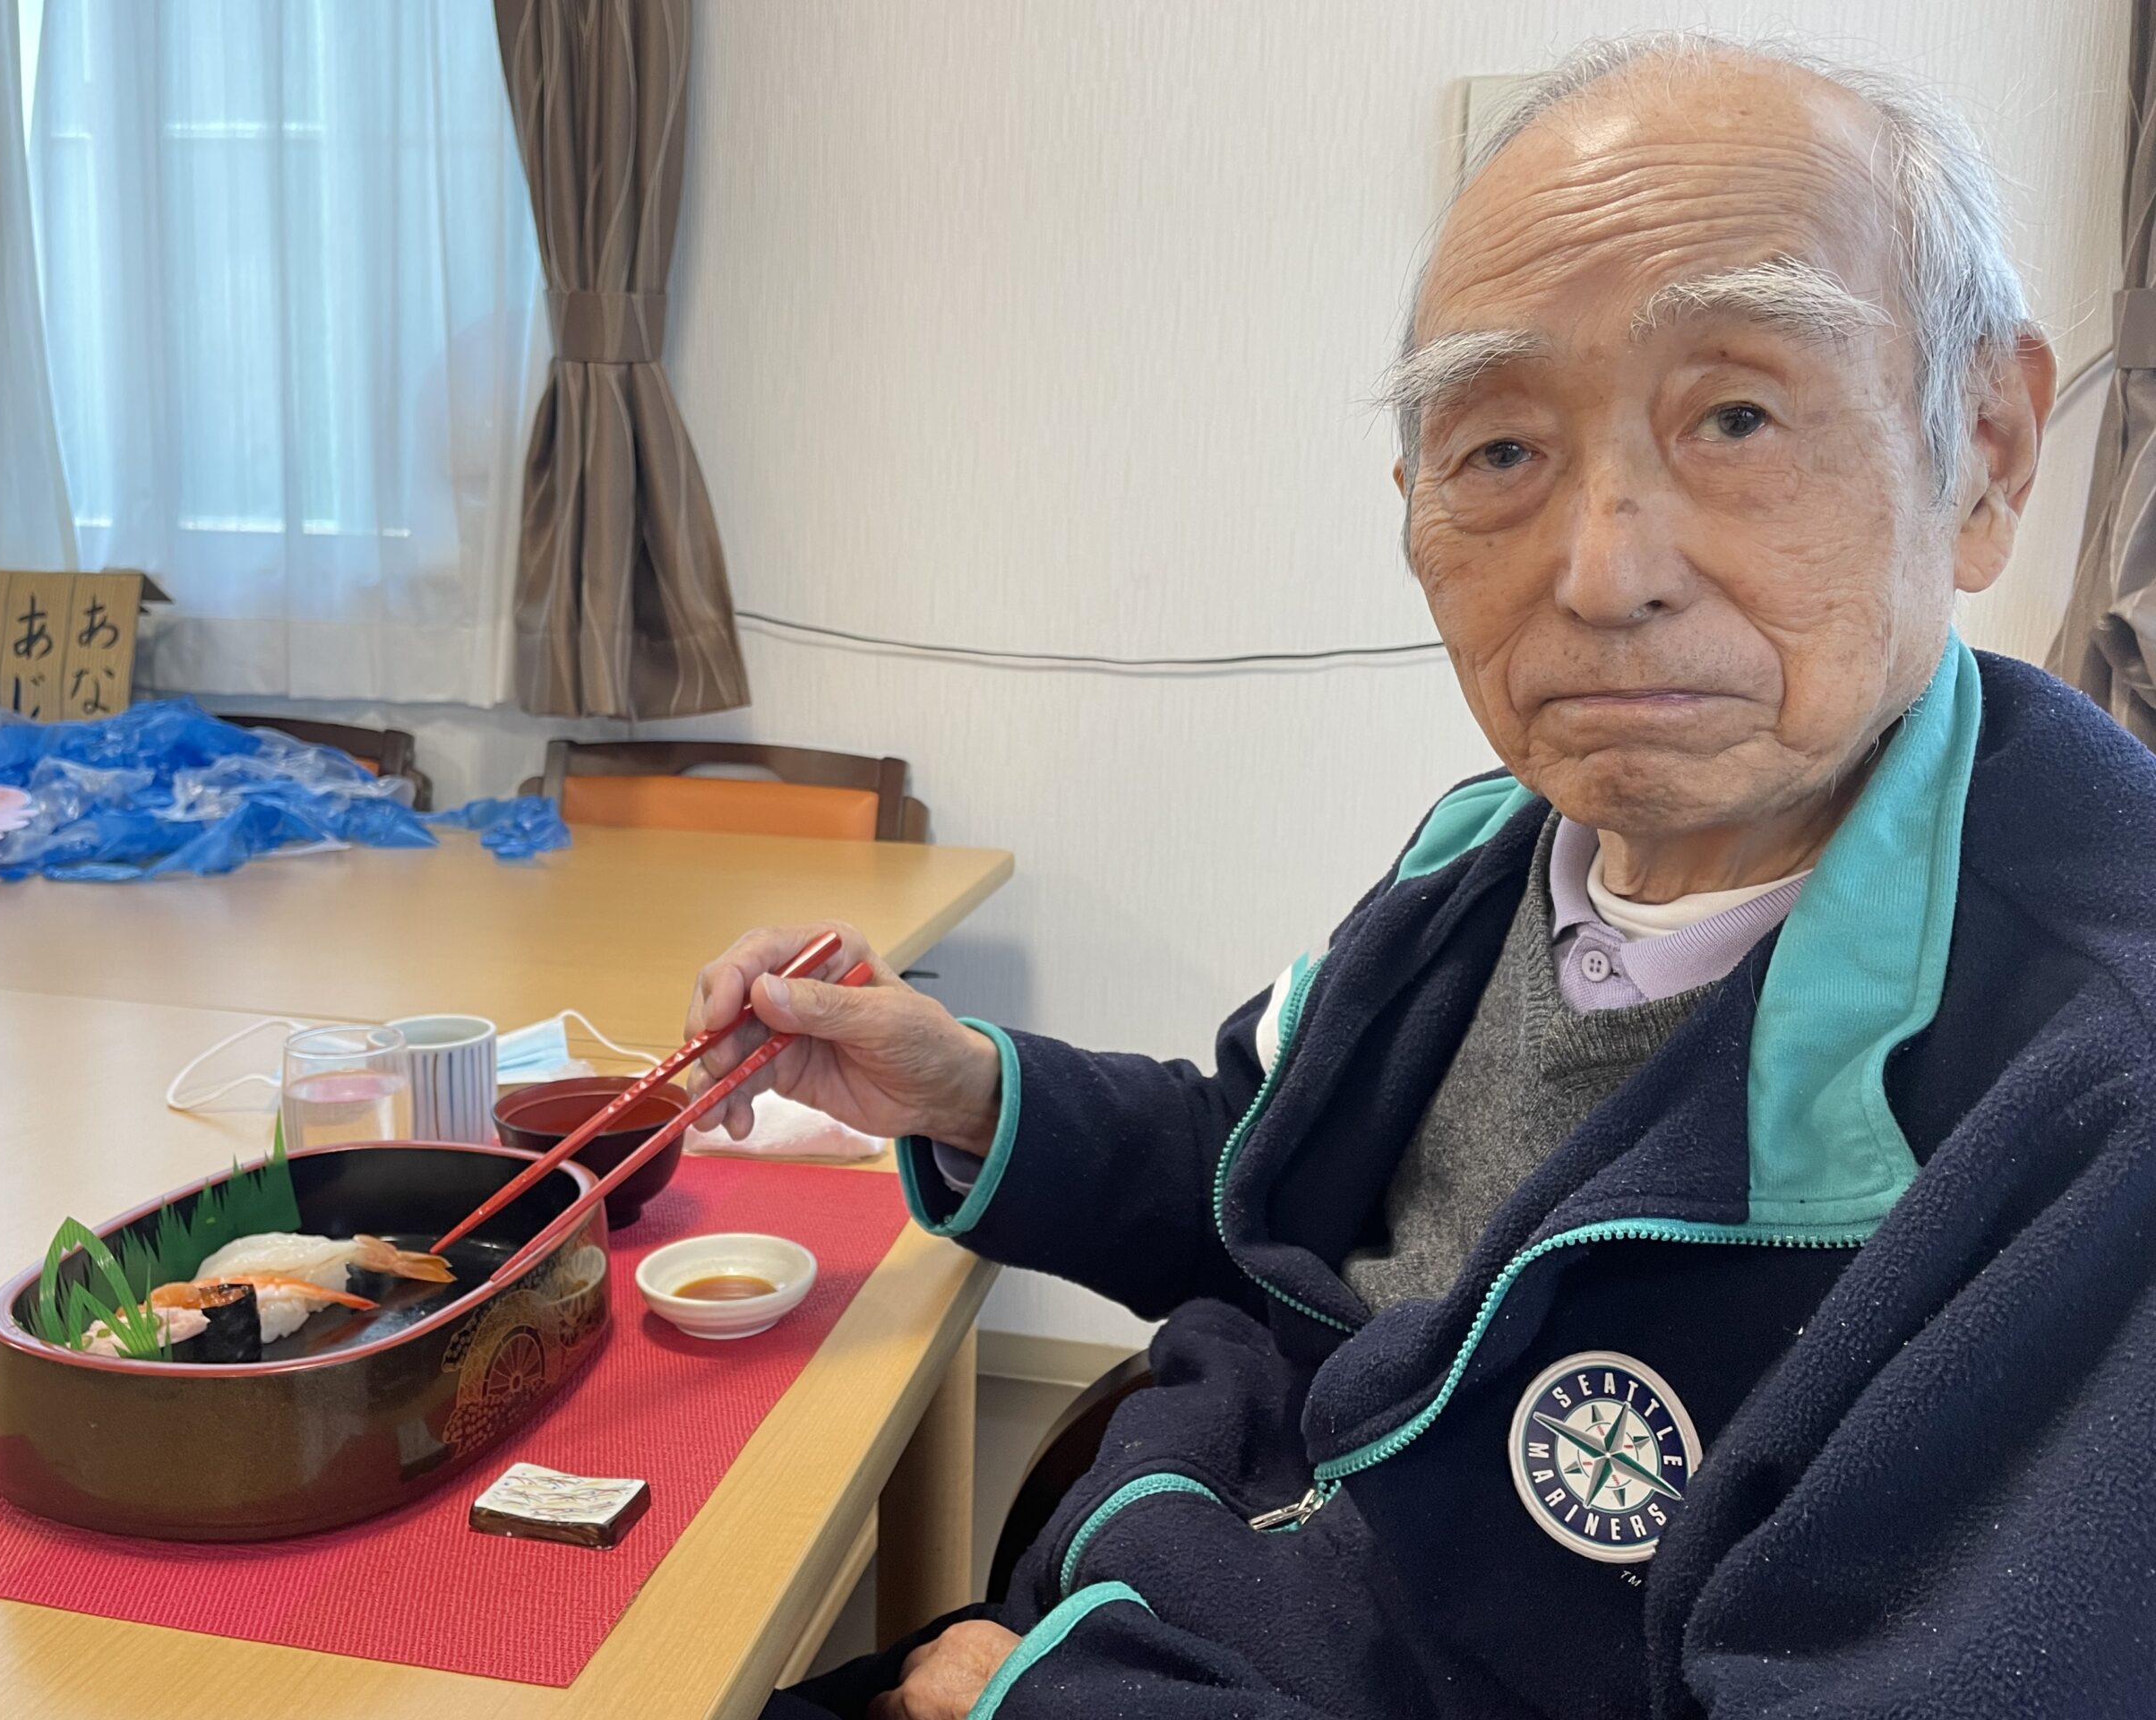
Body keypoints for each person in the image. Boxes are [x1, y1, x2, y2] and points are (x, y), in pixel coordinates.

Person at [721, 31, 2156, 1719]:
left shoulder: (2095, 1094)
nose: (1604, 573)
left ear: (1984, 449)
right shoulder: (1490, 853)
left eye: (1737, 415)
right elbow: (1264, 1179)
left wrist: (1038, 1700)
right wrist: (967, 1089)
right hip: (1137, 1596)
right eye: (1501, 452)